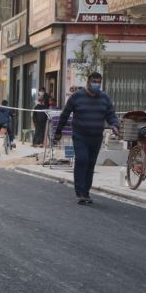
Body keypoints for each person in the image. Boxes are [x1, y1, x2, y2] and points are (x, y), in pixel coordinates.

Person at [53, 71, 120, 204]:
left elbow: (110, 114)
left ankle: (86, 192)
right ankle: (79, 192)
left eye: (99, 82)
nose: (97, 84)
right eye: (94, 81)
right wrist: (58, 131)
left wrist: (114, 125)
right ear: (88, 82)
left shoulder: (104, 98)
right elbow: (65, 114)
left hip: (96, 137)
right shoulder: (77, 96)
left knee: (90, 164)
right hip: (80, 136)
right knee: (82, 160)